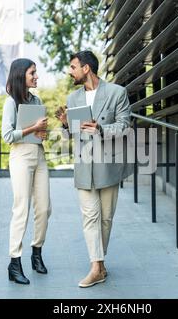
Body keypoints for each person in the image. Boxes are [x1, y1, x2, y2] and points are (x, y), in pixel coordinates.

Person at [56, 51, 133, 288]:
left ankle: (99, 264)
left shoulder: (117, 93)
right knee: (90, 216)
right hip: (84, 165)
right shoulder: (72, 98)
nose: (70, 72)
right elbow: (71, 136)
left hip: (108, 164)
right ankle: (96, 266)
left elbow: (125, 125)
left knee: (106, 218)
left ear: (86, 68)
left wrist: (101, 128)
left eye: (73, 67)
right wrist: (65, 125)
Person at [1, 58, 52, 285]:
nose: (36, 76)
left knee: (44, 208)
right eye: (33, 72)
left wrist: (42, 133)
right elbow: (7, 136)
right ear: (22, 75)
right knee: (21, 209)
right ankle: (14, 263)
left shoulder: (37, 99)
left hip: (39, 155)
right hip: (20, 157)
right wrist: (33, 127)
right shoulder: (11, 102)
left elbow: (39, 134)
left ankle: (37, 252)